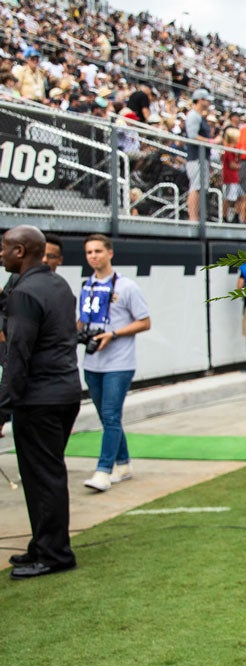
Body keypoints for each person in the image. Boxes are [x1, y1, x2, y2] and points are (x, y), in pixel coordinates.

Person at [0, 226, 82, 578]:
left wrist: (2, 409)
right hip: (64, 393)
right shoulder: (54, 283)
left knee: (43, 477)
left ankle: (54, 554)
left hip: (40, 399)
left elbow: (17, 356)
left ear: (20, 251)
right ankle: (44, 544)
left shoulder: (27, 293)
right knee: (44, 475)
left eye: (3, 248)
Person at [78, 234, 152, 491]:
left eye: (98, 251)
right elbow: (82, 322)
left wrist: (115, 334)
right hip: (92, 362)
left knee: (110, 415)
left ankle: (103, 470)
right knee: (107, 417)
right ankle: (123, 462)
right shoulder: (86, 286)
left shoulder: (127, 287)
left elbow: (145, 321)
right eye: (89, 252)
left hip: (119, 363)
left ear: (110, 253)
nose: (93, 256)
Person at [184, 88, 216, 222]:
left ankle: (195, 217)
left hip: (201, 157)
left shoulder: (199, 116)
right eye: (207, 100)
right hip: (196, 157)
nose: (209, 102)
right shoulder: (193, 115)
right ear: (200, 100)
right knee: (196, 187)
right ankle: (193, 218)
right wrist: (211, 141)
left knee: (199, 187)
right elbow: (192, 136)